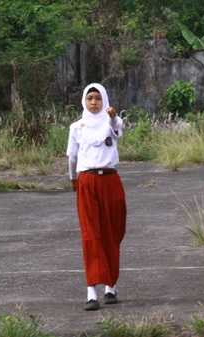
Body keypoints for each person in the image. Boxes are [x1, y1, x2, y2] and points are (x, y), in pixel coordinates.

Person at [67, 83, 127, 311]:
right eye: (90, 98)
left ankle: (110, 287)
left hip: (110, 180)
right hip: (87, 181)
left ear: (105, 100)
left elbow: (117, 128)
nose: (94, 103)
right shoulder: (76, 127)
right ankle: (91, 291)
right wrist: (73, 179)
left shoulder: (112, 122)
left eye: (98, 98)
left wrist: (112, 117)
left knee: (113, 231)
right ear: (84, 101)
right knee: (91, 234)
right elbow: (72, 157)